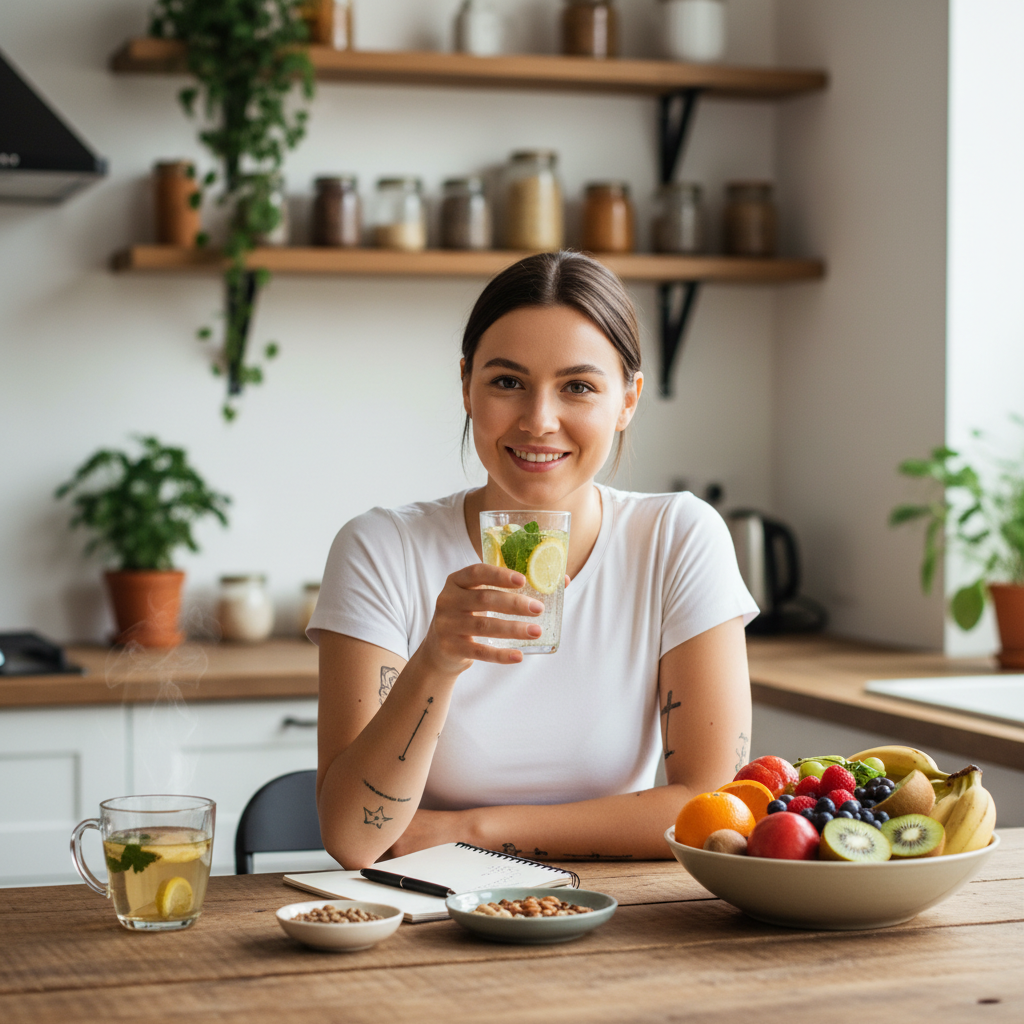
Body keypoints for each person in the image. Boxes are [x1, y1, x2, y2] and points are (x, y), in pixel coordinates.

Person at [308, 251, 758, 869]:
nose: (539, 420)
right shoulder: (381, 548)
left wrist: (471, 829)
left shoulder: (678, 537)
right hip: (430, 911)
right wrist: (434, 663)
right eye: (507, 382)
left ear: (628, 400)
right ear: (466, 386)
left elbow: (713, 810)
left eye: (578, 387)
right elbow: (354, 839)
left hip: (622, 909)